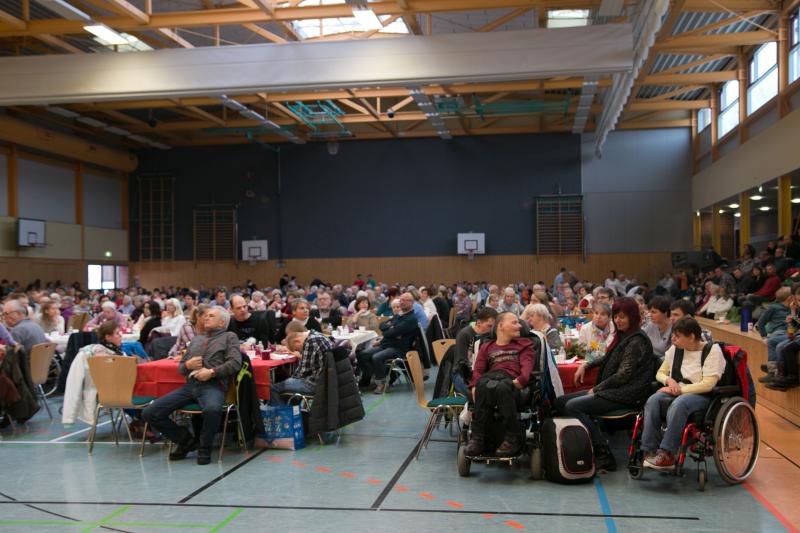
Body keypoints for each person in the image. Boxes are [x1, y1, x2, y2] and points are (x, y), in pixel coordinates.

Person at [556, 297, 656, 471]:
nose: (618, 320)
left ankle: (603, 453)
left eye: (622, 317)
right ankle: (573, 448)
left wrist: (597, 388)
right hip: (615, 390)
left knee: (572, 406)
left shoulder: (637, 340)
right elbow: (608, 357)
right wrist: (587, 365)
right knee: (559, 402)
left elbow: (623, 375)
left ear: (632, 317)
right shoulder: (625, 336)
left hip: (627, 393)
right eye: (616, 316)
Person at [142, 308, 242, 465]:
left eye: (211, 316)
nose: (206, 318)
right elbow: (181, 368)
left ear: (222, 322)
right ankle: (186, 441)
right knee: (150, 412)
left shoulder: (229, 337)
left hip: (213, 385)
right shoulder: (196, 339)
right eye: (205, 316)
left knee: (212, 409)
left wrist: (212, 372)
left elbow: (235, 363)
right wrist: (188, 364)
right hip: (190, 386)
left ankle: (205, 447)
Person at [641, 317, 726, 469]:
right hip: (677, 390)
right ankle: (648, 450)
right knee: (653, 400)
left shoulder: (712, 351)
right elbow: (660, 373)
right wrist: (669, 381)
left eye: (677, 336)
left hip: (702, 395)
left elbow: (708, 384)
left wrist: (679, 390)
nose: (673, 338)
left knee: (679, 404)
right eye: (673, 334)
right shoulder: (675, 349)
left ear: (691, 337)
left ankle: (667, 453)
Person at [465, 312, 535, 457]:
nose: (519, 326)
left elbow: (527, 367)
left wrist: (521, 381)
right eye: (514, 322)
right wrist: (474, 386)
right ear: (501, 326)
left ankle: (513, 437)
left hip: (510, 380)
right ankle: (478, 438)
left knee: (502, 387)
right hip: (490, 378)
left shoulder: (524, 345)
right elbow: (478, 370)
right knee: (482, 385)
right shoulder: (486, 347)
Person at [356, 293, 418, 394]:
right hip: (386, 345)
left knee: (376, 357)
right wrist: (391, 329)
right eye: (401, 300)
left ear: (412, 302)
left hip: (399, 348)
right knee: (362, 354)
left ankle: (382, 383)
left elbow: (393, 332)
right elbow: (382, 325)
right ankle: (375, 376)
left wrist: (391, 330)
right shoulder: (399, 315)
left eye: (405, 300)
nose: (402, 302)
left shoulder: (411, 318)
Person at [270, 323, 334, 400]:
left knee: (273, 388)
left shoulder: (310, 342)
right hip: (326, 380)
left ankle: (281, 408)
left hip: (315, 384)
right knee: (286, 382)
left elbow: (302, 373)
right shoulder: (315, 334)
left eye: (296, 349)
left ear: (297, 341)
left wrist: (289, 378)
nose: (299, 351)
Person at [452, 307, 498, 395]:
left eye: (494, 327)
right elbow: (461, 363)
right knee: (478, 393)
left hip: (481, 370)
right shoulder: (465, 334)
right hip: (462, 372)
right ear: (479, 323)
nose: (492, 330)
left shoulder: (491, 335)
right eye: (489, 326)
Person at [756, 287, 792, 382]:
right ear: (789, 298)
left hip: (789, 332)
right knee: (773, 339)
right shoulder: (773, 308)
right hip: (778, 332)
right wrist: (764, 337)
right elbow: (761, 322)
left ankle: (772, 368)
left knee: (777, 342)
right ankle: (773, 369)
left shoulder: (794, 308)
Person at [643, 296, 673, 361]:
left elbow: (671, 356)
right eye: (650, 312)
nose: (650, 315)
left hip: (662, 363)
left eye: (654, 312)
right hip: (647, 360)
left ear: (665, 313)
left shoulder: (674, 329)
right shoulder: (651, 324)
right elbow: (640, 338)